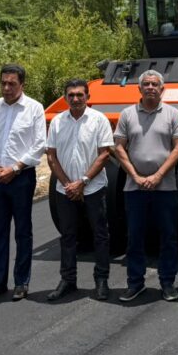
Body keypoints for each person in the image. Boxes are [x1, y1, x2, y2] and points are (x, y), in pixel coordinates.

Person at [0, 64, 47, 302]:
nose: (6, 88)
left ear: (22, 85)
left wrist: (15, 168)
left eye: (12, 84)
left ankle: (21, 281)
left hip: (21, 178)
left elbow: (39, 145)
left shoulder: (34, 108)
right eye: (3, 83)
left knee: (23, 232)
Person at [113, 70, 178, 302]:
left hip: (165, 187)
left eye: (155, 84)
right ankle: (135, 283)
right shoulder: (127, 114)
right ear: (139, 89)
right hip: (134, 189)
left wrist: (158, 176)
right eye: (146, 84)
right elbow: (119, 148)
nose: (151, 87)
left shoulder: (173, 114)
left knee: (168, 237)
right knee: (134, 237)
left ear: (162, 89)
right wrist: (134, 175)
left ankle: (167, 283)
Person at [46, 78, 115, 302]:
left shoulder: (99, 120)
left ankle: (102, 281)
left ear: (88, 96)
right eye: (71, 95)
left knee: (100, 235)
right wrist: (68, 184)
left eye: (79, 95)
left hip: (93, 188)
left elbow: (105, 153)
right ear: (65, 97)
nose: (75, 99)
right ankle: (68, 280)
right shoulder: (57, 122)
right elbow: (51, 156)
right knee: (68, 236)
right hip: (64, 189)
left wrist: (82, 182)